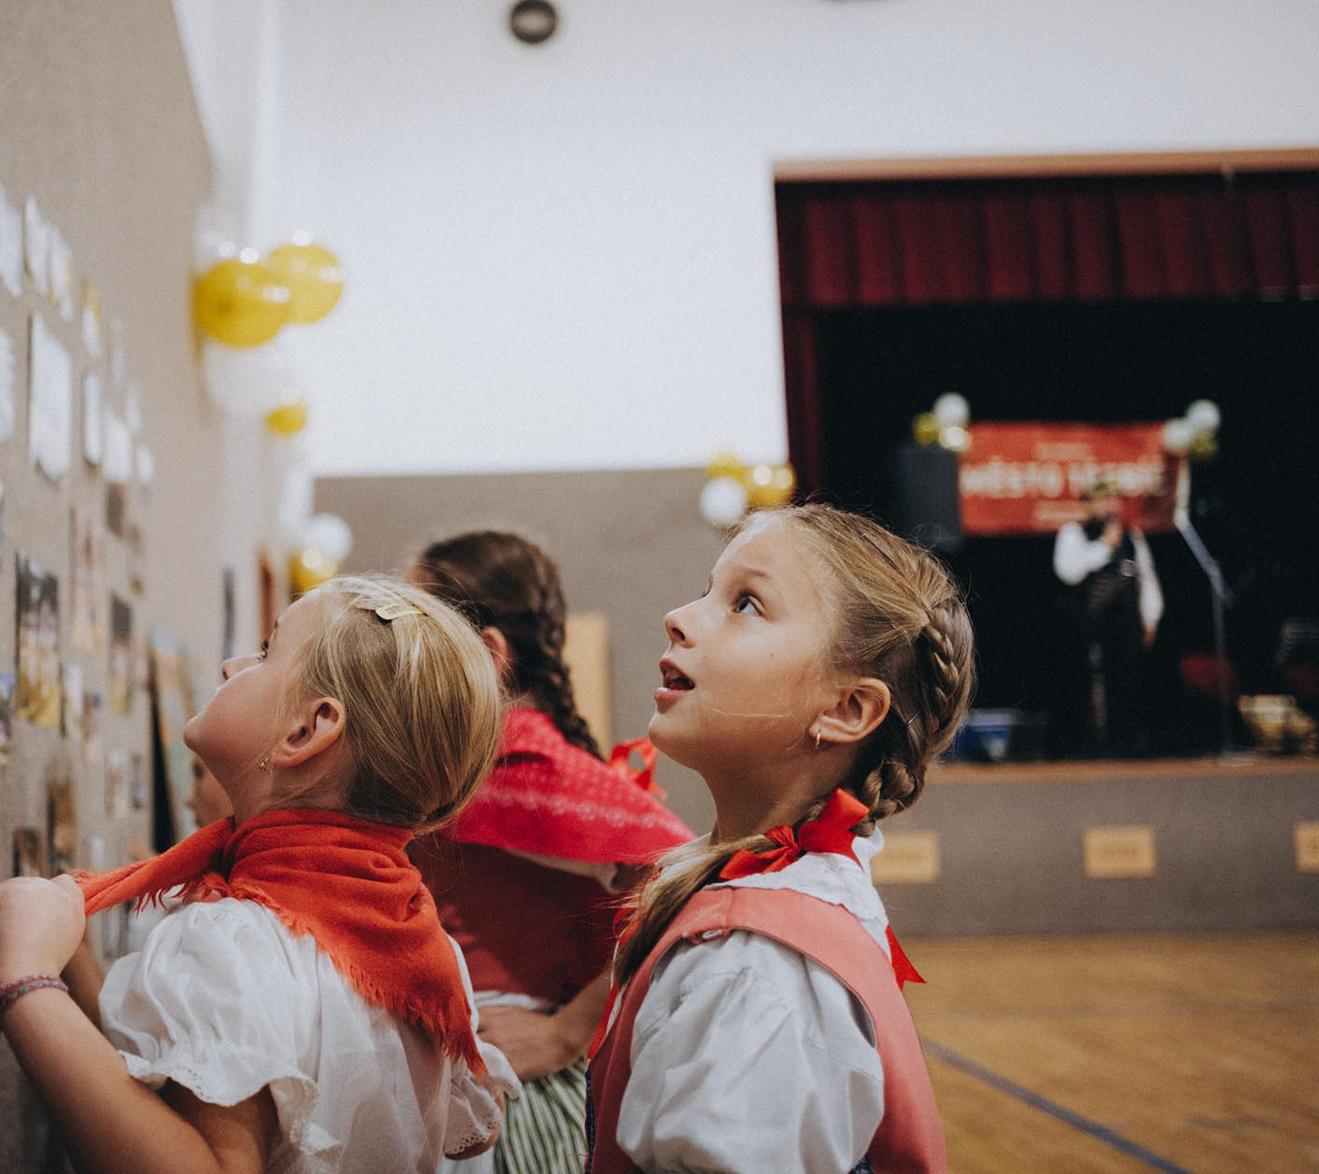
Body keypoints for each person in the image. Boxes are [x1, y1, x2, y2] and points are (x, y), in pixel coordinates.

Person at [0, 576, 521, 1172]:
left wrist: (25, 977)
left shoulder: (237, 944)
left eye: (266, 651)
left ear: (306, 730)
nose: (230, 666)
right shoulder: (418, 944)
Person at [586, 504, 973, 1174]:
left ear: (846, 708)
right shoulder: (770, 899)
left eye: (746, 604)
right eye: (709, 590)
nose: (678, 616)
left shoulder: (751, 971)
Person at [407, 531, 692, 1174]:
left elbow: (691, 884)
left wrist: (565, 1032)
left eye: (413, 632)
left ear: (488, 654)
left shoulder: (525, 764)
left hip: (513, 1091)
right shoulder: (444, 767)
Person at [1054, 479, 1163, 756]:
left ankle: (1126, 743)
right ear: (1089, 504)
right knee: (1092, 687)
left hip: (1125, 624)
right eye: (1103, 500)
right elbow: (1068, 572)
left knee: (1127, 683)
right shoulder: (1074, 534)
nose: (1109, 506)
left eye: (1114, 500)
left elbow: (1146, 577)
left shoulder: (1132, 536)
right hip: (1088, 625)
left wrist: (1150, 618)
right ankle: (1093, 744)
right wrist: (1104, 546)